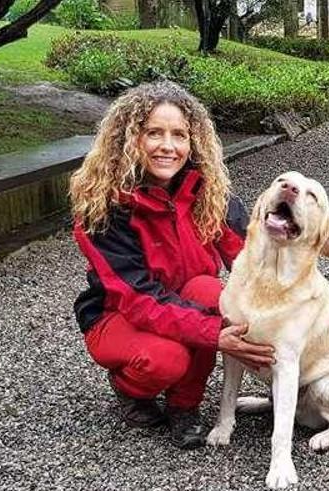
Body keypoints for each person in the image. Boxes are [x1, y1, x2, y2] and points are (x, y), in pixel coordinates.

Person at [68, 81, 276, 449]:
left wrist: (297, 302)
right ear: (130, 139)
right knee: (166, 359)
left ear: (193, 142)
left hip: (184, 300)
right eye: (154, 133)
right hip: (120, 314)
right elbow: (139, 298)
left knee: (212, 293)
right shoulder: (104, 210)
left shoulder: (206, 191)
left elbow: (252, 258)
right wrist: (214, 332)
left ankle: (185, 406)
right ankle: (130, 389)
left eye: (179, 135)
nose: (168, 146)